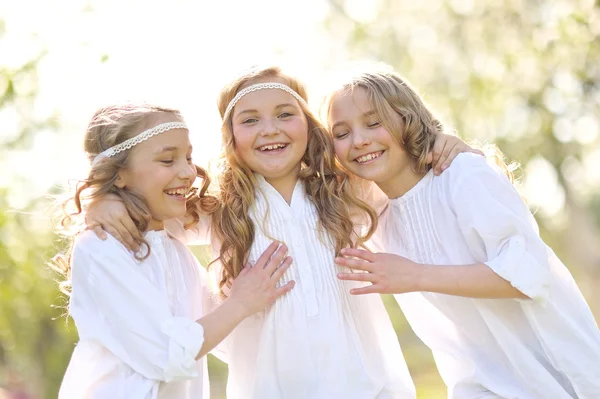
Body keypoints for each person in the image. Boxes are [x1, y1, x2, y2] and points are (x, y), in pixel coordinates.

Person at [86, 66, 475, 399]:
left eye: (285, 114)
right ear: (230, 136)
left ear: (308, 123)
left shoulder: (348, 191)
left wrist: (441, 141)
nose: (269, 130)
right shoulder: (220, 207)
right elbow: (150, 209)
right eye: (250, 120)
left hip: (365, 385)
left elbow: (407, 175)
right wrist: (104, 201)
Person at [327, 64, 600, 398]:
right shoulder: (376, 218)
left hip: (559, 380)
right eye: (341, 133)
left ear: (408, 119)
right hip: (478, 389)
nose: (359, 140)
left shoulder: (463, 175)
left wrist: (416, 275)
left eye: (374, 122)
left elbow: (528, 275)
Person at [54, 103, 294, 399]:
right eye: (168, 160)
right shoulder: (101, 248)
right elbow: (165, 354)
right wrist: (240, 303)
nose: (188, 172)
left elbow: (223, 338)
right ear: (118, 174)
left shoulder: (176, 251)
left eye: (188, 157)